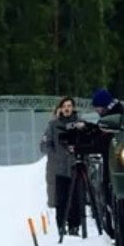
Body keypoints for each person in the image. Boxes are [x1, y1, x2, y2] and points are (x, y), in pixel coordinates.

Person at [42, 96, 84, 237]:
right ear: (60, 108)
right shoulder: (53, 125)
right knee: (61, 199)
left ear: (73, 108)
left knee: (76, 198)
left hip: (75, 166)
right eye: (64, 105)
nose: (67, 108)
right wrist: (56, 155)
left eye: (69, 106)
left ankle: (75, 226)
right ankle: (61, 225)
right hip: (59, 168)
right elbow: (44, 145)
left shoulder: (79, 124)